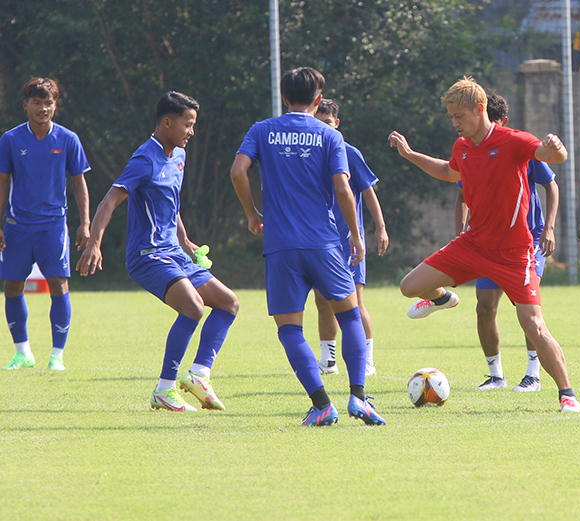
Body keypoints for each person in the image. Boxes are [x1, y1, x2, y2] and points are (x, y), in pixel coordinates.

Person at [388, 77, 580, 413]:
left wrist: (558, 147)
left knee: (533, 325)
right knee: (410, 286)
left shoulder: (514, 141)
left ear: (480, 110)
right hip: (473, 245)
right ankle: (444, 297)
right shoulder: (461, 147)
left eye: (459, 116)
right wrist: (409, 154)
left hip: (513, 254)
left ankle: (567, 395)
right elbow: (450, 173)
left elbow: (556, 158)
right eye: (451, 117)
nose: (455, 123)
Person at [230, 67, 386, 426]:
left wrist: (253, 214)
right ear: (318, 101)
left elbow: (238, 171)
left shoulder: (261, 130)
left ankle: (321, 404)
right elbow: (345, 189)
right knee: (349, 318)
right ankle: (359, 399)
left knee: (289, 330)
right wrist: (356, 234)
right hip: (326, 244)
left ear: (284, 98)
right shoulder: (331, 136)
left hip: (282, 246)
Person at [77, 91, 239, 412]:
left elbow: (170, 202)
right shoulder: (144, 158)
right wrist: (95, 243)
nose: (192, 131)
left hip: (173, 252)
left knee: (227, 303)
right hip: (147, 255)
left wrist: (184, 239)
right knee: (193, 307)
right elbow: (109, 200)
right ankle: (164, 390)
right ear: (167, 122)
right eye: (187, 124)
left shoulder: (179, 154)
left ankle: (199, 375)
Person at [454, 92, 559, 393]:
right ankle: (495, 375)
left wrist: (549, 229)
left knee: (527, 310)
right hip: (487, 241)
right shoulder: (471, 149)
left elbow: (551, 185)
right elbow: (461, 191)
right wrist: (460, 231)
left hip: (528, 240)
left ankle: (533, 374)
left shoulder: (519, 147)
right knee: (484, 307)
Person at [0, 77, 91, 371]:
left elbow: (79, 184)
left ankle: (57, 356)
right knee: (12, 286)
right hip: (17, 226)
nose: (43, 108)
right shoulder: (10, 140)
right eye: (37, 102)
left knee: (58, 283)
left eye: (48, 102)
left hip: (53, 225)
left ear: (55, 105)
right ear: (26, 105)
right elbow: (2, 184)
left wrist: (85, 223)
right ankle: (23, 352)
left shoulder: (68, 139)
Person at [311, 98, 389, 377]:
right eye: (318, 123)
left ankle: (367, 359)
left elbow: (368, 191)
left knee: (354, 302)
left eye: (328, 123)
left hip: (348, 240)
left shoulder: (348, 152)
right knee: (322, 301)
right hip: (319, 240)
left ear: (337, 124)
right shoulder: (308, 153)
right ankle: (328, 360)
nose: (323, 129)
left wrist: (379, 226)